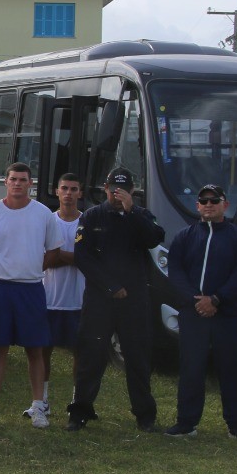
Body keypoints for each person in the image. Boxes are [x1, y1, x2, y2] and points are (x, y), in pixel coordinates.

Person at [67, 166, 166, 432]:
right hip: (101, 298)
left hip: (135, 299)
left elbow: (154, 238)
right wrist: (110, 287)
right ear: (104, 188)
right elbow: (82, 257)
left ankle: (145, 416)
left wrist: (131, 210)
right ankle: (80, 413)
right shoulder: (91, 216)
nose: (116, 195)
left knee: (137, 357)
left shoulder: (141, 215)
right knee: (92, 356)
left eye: (122, 190)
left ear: (132, 191)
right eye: (112, 190)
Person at [163, 183, 237, 440]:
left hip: (229, 314)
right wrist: (196, 300)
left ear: (225, 204)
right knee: (192, 367)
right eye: (203, 200)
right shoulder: (185, 237)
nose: (208, 205)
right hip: (194, 314)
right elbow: (176, 271)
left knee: (232, 368)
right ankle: (186, 422)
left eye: (214, 200)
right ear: (197, 206)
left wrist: (217, 299)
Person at [0, 163, 60, 426]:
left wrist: (32, 268)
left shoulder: (44, 214)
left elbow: (53, 251)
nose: (17, 184)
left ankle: (38, 407)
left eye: (22, 180)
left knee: (35, 349)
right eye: (13, 179)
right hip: (0, 289)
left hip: (31, 289)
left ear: (30, 184)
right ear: (6, 182)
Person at [36, 173, 85, 428]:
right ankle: (41, 400)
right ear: (56, 191)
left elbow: (88, 261)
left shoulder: (86, 222)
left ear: (80, 193)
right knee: (44, 352)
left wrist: (59, 255)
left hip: (78, 300)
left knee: (80, 353)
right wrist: (73, 257)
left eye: (73, 189)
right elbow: (45, 260)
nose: (68, 193)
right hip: (48, 299)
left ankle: (76, 405)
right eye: (64, 188)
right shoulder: (47, 221)